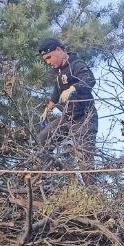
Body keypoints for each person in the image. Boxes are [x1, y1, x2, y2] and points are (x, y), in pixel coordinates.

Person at [37, 38, 98, 169]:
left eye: (49, 57)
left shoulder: (76, 64)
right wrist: (48, 109)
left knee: (84, 158)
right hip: (67, 117)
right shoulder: (59, 72)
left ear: (59, 50)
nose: (48, 62)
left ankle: (90, 189)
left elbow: (89, 80)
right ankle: (53, 175)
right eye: (45, 60)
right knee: (43, 140)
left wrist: (73, 88)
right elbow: (56, 92)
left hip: (84, 117)